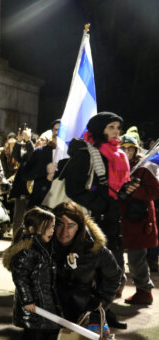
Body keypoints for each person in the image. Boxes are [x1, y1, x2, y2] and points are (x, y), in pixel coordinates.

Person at [63, 111, 138, 327]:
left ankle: (103, 311)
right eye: (111, 127)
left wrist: (125, 192)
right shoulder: (86, 153)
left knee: (110, 271)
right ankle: (84, 315)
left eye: (118, 127)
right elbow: (74, 188)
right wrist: (103, 203)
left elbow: (112, 189)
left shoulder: (118, 155)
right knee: (88, 272)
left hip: (111, 220)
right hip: (91, 220)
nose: (117, 132)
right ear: (99, 129)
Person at [3, 207, 60, 340]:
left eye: (52, 226)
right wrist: (27, 300)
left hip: (39, 298)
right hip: (32, 302)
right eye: (48, 227)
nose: (52, 231)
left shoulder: (41, 247)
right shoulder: (28, 251)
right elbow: (20, 277)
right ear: (33, 230)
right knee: (31, 331)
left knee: (36, 330)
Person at [51, 202, 123, 325]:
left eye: (71, 226)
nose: (64, 232)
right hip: (49, 307)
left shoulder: (95, 249)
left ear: (79, 227)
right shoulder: (42, 245)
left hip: (82, 307)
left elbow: (114, 276)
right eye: (59, 224)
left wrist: (100, 303)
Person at [119, 131, 159, 305]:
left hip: (139, 220)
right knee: (115, 256)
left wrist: (135, 190)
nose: (127, 151)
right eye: (124, 148)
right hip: (120, 219)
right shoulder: (116, 164)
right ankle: (117, 285)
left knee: (136, 259)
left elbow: (155, 191)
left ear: (136, 149)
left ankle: (144, 291)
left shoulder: (145, 166)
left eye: (131, 148)